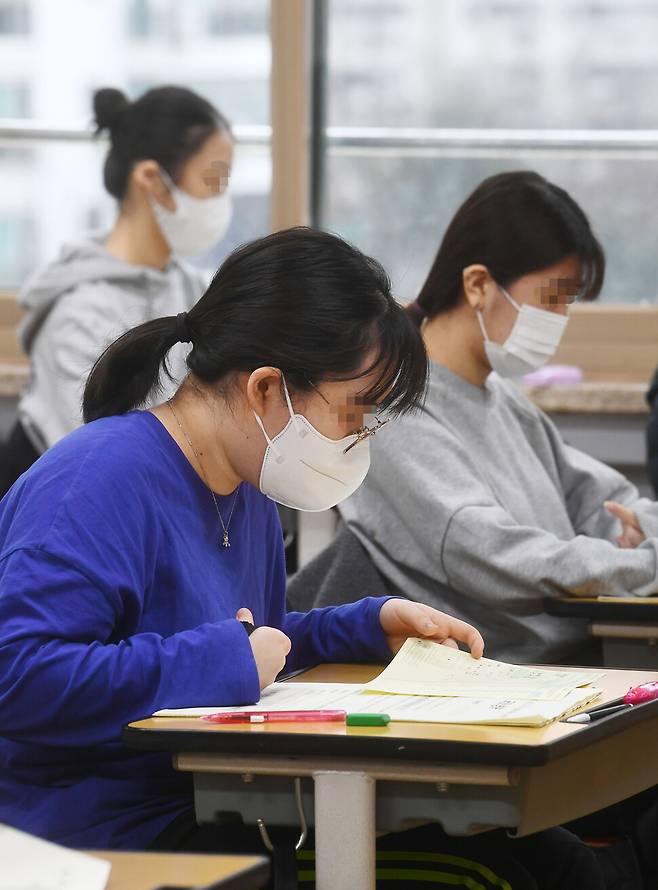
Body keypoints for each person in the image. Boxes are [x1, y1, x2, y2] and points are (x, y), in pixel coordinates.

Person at [0, 226, 608, 890]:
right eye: (356, 413)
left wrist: (365, 626)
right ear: (266, 389)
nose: (359, 437)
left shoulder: (247, 481)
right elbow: (21, 677)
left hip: (225, 805)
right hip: (104, 837)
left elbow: (253, 639)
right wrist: (226, 660)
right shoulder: (98, 479)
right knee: (490, 874)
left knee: (548, 855)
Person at [288, 171, 658, 667]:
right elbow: (494, 553)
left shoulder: (506, 402)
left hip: (563, 663)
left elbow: (607, 503)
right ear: (479, 285)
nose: (560, 320)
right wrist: (642, 564)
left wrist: (640, 539)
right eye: (553, 299)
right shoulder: (392, 408)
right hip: (491, 677)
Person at [0, 84, 234, 495]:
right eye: (213, 179)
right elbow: (110, 468)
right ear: (152, 180)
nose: (222, 199)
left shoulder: (193, 287)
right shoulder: (77, 316)